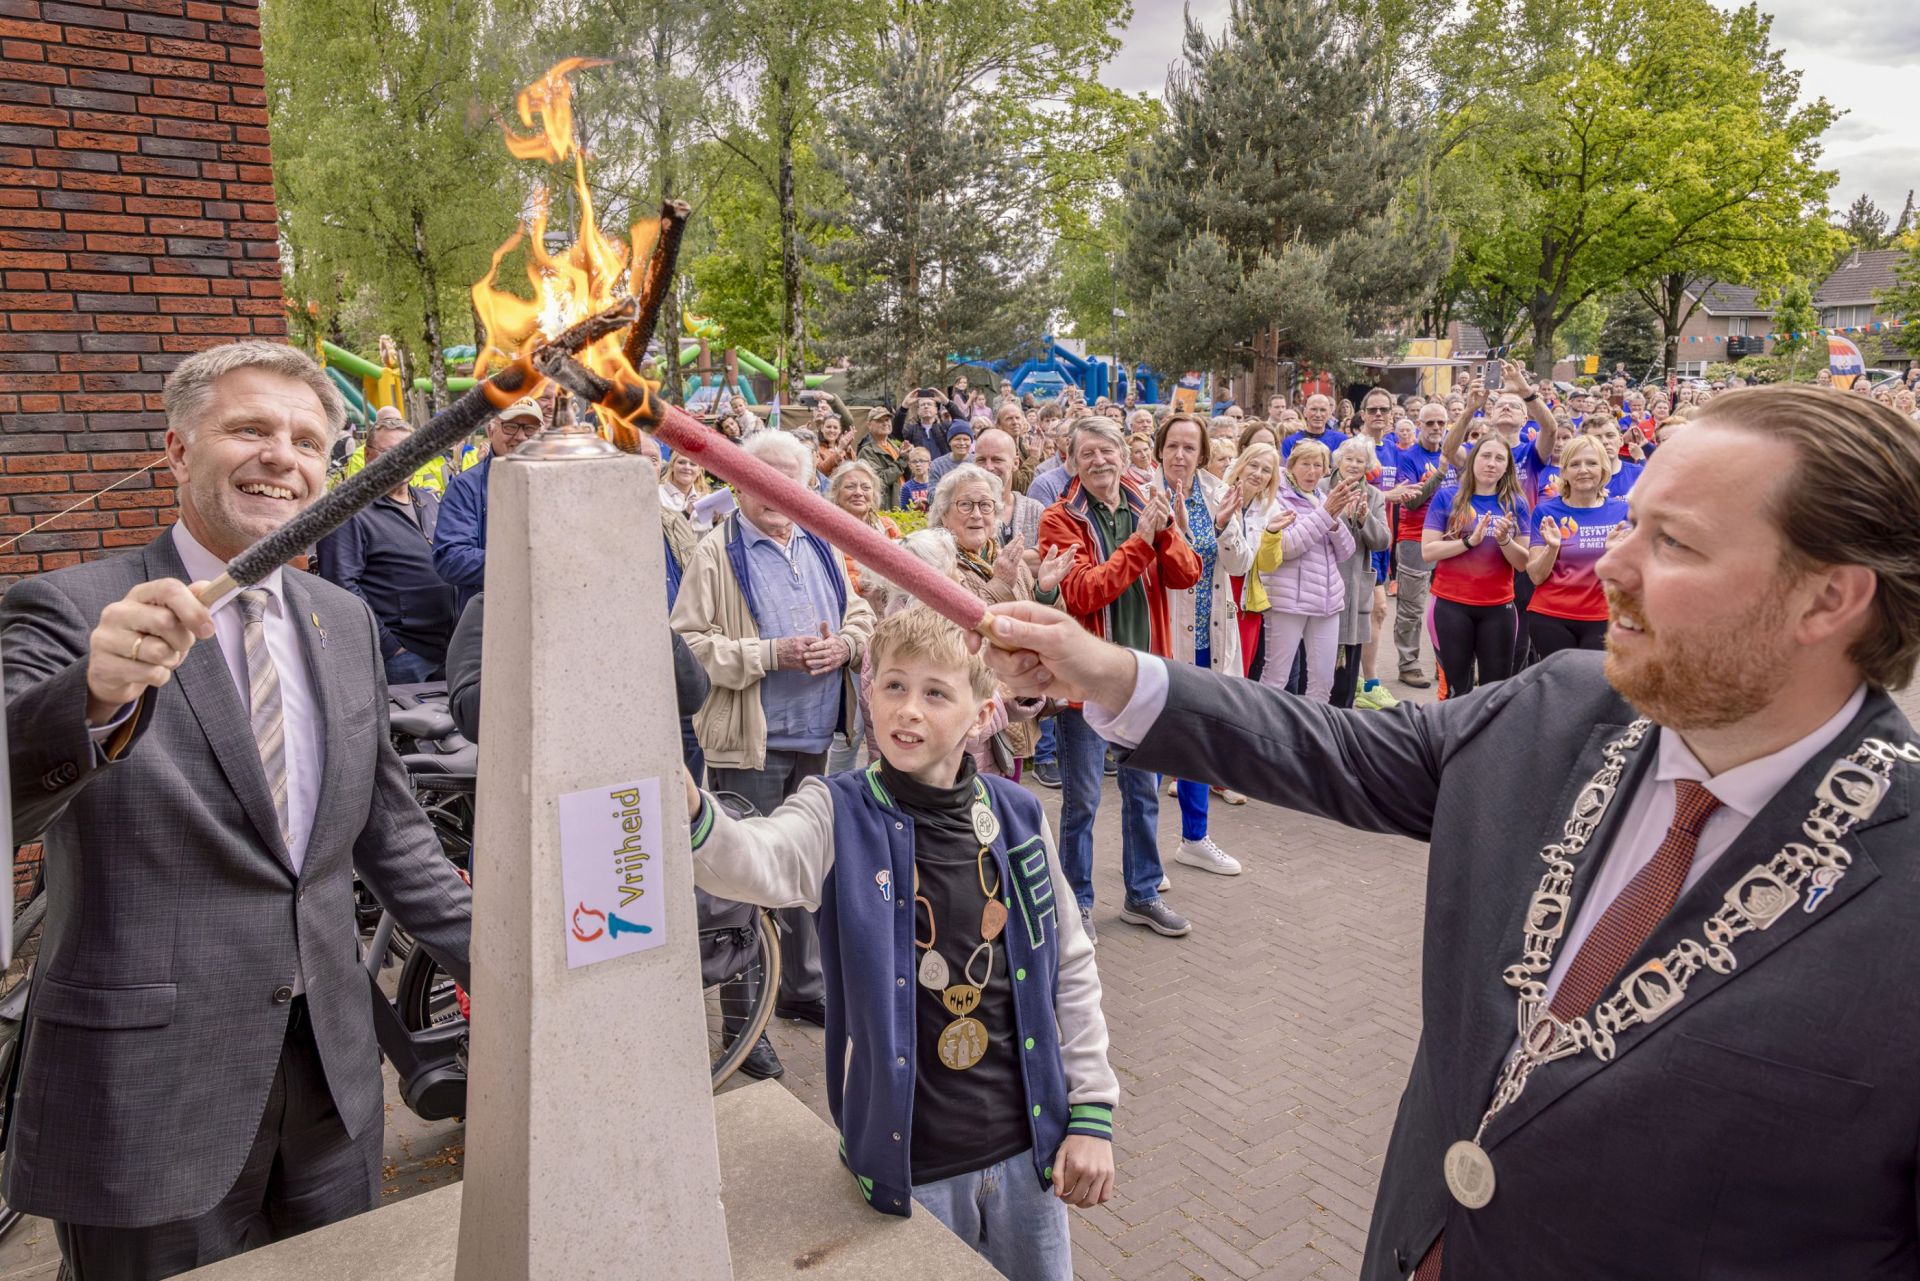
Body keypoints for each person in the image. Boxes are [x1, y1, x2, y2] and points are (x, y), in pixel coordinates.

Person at [977, 383, 1920, 1281]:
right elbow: (1336, 746)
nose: (1614, 565)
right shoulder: (1561, 705)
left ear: (1829, 598)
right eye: (1632, 523)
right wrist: (1107, 672)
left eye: (1672, 542)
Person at [1, 341, 472, 1279]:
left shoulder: (344, 620)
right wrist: (95, 698)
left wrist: (514, 968)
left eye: (305, 440)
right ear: (177, 450)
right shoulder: (73, 608)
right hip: (150, 1094)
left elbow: (392, 836)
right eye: (248, 428)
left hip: (335, 1078)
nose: (280, 456)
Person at [687, 606, 1117, 1281]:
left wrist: (1091, 1113)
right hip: (911, 1172)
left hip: (1028, 1153)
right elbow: (756, 858)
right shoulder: (837, 809)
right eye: (892, 685)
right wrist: (692, 813)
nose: (907, 709)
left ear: (982, 714)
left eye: (935, 692)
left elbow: (1070, 962)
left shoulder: (1018, 814)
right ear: (867, 693)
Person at [669, 430, 878, 1053]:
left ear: (807, 486)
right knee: (740, 883)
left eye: (788, 482)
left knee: (807, 865)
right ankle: (742, 1024)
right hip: (750, 741)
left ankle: (800, 988)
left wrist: (846, 644)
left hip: (820, 735)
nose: (774, 494)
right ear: (737, 483)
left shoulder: (820, 543)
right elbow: (687, 645)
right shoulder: (716, 551)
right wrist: (768, 654)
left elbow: (860, 615)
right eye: (760, 481)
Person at [1039, 415, 1201, 941]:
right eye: (1087, 454)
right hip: (1086, 680)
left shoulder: (1145, 501)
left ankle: (1143, 893)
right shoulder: (1059, 520)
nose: (1100, 461)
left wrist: (1166, 531)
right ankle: (1077, 902)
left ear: (1123, 454)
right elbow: (1086, 592)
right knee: (1083, 799)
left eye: (1107, 451)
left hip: (1145, 678)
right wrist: (1141, 540)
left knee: (1143, 791)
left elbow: (1187, 574)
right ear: (1073, 462)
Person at [1155, 412, 1254, 853]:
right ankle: (1144, 855)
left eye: (1189, 447)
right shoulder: (1141, 494)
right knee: (1153, 742)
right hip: (1161, 636)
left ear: (1203, 454)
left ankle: (1195, 838)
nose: (1180, 455)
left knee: (1198, 740)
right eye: (1172, 445)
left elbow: (1241, 564)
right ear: (1160, 449)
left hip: (1209, 637)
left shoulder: (1218, 494)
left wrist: (1221, 526)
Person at [1422, 436, 1531, 696]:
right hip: (1450, 607)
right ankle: (1452, 737)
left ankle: (1488, 738)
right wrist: (1469, 542)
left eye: (1499, 458)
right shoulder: (1448, 497)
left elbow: (1523, 563)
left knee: (1494, 693)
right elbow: (1428, 551)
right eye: (1485, 456)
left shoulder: (1516, 503)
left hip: (1498, 609)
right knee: (1456, 692)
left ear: (1507, 467)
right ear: (1472, 461)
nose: (1491, 463)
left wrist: (1505, 540)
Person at [1258, 440, 1360, 703]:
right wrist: (1326, 515)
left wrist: (1335, 523)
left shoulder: (1323, 498)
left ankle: (1314, 738)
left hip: (1327, 601)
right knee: (1275, 679)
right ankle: (1265, 736)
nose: (1312, 471)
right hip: (1288, 601)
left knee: (1323, 682)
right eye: (1305, 464)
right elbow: (1288, 546)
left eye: (1318, 465)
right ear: (1291, 466)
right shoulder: (1277, 497)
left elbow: (1346, 552)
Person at [432, 395, 543, 613]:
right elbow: (451, 558)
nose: (521, 436)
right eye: (510, 426)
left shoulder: (554, 481)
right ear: (491, 430)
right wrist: (519, 562)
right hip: (491, 615)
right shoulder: (466, 487)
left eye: (530, 429)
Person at [1524, 434, 1628, 659]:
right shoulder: (1546, 512)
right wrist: (1552, 548)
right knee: (1561, 690)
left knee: (1594, 687)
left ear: (1603, 469)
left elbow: (1633, 576)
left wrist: (1614, 554)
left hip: (1604, 616)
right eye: (1575, 464)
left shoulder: (1622, 512)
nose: (1583, 470)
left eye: (1591, 463)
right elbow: (1535, 576)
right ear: (1565, 472)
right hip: (1551, 615)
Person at [1383, 402, 1451, 688]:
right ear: (1419, 424)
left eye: (1440, 423)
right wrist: (1439, 474)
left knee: (1448, 606)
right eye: (1430, 423)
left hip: (1450, 539)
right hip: (1415, 539)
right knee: (1411, 607)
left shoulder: (1454, 454)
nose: (1436, 428)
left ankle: (1446, 665)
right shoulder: (1408, 456)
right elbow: (1411, 499)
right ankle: (1409, 664)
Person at [1328, 437, 1393, 709]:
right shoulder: (1320, 487)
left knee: (1346, 672)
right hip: (1322, 584)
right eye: (1349, 459)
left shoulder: (1375, 496)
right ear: (1338, 461)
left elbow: (1383, 541)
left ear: (1368, 465)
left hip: (1354, 588)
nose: (1354, 465)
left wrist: (1365, 518)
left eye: (1360, 460)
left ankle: (1341, 721)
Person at [1221, 442, 1281, 676]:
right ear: (1241, 465)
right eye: (1253, 465)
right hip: (1220, 588)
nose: (1258, 474)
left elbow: (1268, 564)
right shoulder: (1218, 495)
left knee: (1241, 670)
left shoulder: (1270, 508)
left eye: (1266, 470)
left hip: (1247, 597)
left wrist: (1273, 535)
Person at [1282, 393, 1348, 458]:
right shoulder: (1290, 442)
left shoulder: (1341, 440)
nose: (1318, 415)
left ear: (1329, 414)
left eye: (1323, 410)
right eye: (1313, 409)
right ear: (1305, 412)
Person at [658, 450, 706, 519]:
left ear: (699, 471)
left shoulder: (704, 498)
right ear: (672, 466)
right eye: (681, 462)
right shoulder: (657, 494)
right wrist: (686, 513)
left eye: (693, 464)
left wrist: (715, 521)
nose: (687, 467)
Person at [900, 446, 934, 511]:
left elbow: (942, 505)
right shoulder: (906, 487)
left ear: (929, 464)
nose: (918, 464)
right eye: (914, 461)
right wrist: (914, 509)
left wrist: (928, 502)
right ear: (910, 465)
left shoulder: (936, 483)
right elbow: (903, 510)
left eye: (922, 461)